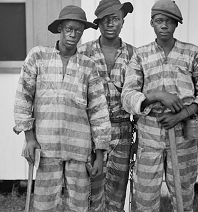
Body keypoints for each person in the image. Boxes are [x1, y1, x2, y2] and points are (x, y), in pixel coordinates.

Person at [121, 0, 198, 211]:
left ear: (176, 24)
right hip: (150, 135)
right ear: (152, 23)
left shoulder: (191, 53)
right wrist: (156, 96)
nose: (164, 25)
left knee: (183, 196)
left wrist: (182, 114)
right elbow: (127, 96)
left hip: (183, 134)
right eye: (159, 21)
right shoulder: (141, 55)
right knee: (145, 197)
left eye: (169, 21)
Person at [13, 5, 111, 212]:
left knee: (79, 204)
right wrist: (29, 138)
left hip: (79, 147)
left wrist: (100, 155)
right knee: (44, 203)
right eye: (69, 29)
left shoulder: (88, 66)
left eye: (78, 30)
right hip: (45, 146)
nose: (73, 34)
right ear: (60, 28)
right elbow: (24, 96)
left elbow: (98, 110)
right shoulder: (38, 57)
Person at [78, 0, 135, 211]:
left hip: (122, 130)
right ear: (98, 23)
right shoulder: (83, 53)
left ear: (123, 22)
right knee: (91, 191)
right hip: (91, 131)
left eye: (116, 19)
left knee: (117, 194)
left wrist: (139, 138)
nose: (111, 24)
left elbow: (139, 94)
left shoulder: (134, 54)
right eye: (106, 19)